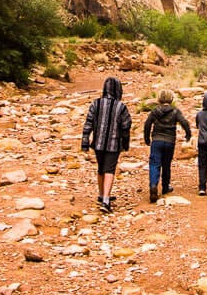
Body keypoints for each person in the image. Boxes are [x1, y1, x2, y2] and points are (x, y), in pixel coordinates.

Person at [81, 76, 132, 214]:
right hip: (113, 143)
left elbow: (88, 123)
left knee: (101, 168)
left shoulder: (96, 103)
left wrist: (85, 142)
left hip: (98, 142)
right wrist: (126, 143)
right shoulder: (121, 107)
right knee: (109, 169)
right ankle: (106, 200)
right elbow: (126, 126)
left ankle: (101, 194)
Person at [143, 88, 192, 202]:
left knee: (154, 163)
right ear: (171, 99)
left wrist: (147, 138)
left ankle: (153, 185)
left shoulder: (154, 111)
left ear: (159, 99)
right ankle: (165, 187)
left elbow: (147, 124)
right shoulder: (175, 111)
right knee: (166, 164)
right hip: (170, 141)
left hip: (157, 140)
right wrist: (188, 134)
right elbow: (184, 122)